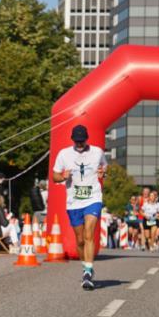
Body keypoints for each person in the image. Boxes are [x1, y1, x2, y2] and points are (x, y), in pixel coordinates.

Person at [52, 124, 107, 290]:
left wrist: (102, 172)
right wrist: (62, 176)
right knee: (81, 239)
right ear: (72, 140)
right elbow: (54, 176)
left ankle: (88, 272)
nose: (80, 144)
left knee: (90, 233)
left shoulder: (97, 152)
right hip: (74, 202)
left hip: (93, 198)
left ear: (87, 139)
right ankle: (86, 265)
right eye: (77, 141)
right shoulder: (64, 154)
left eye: (82, 141)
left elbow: (104, 166)